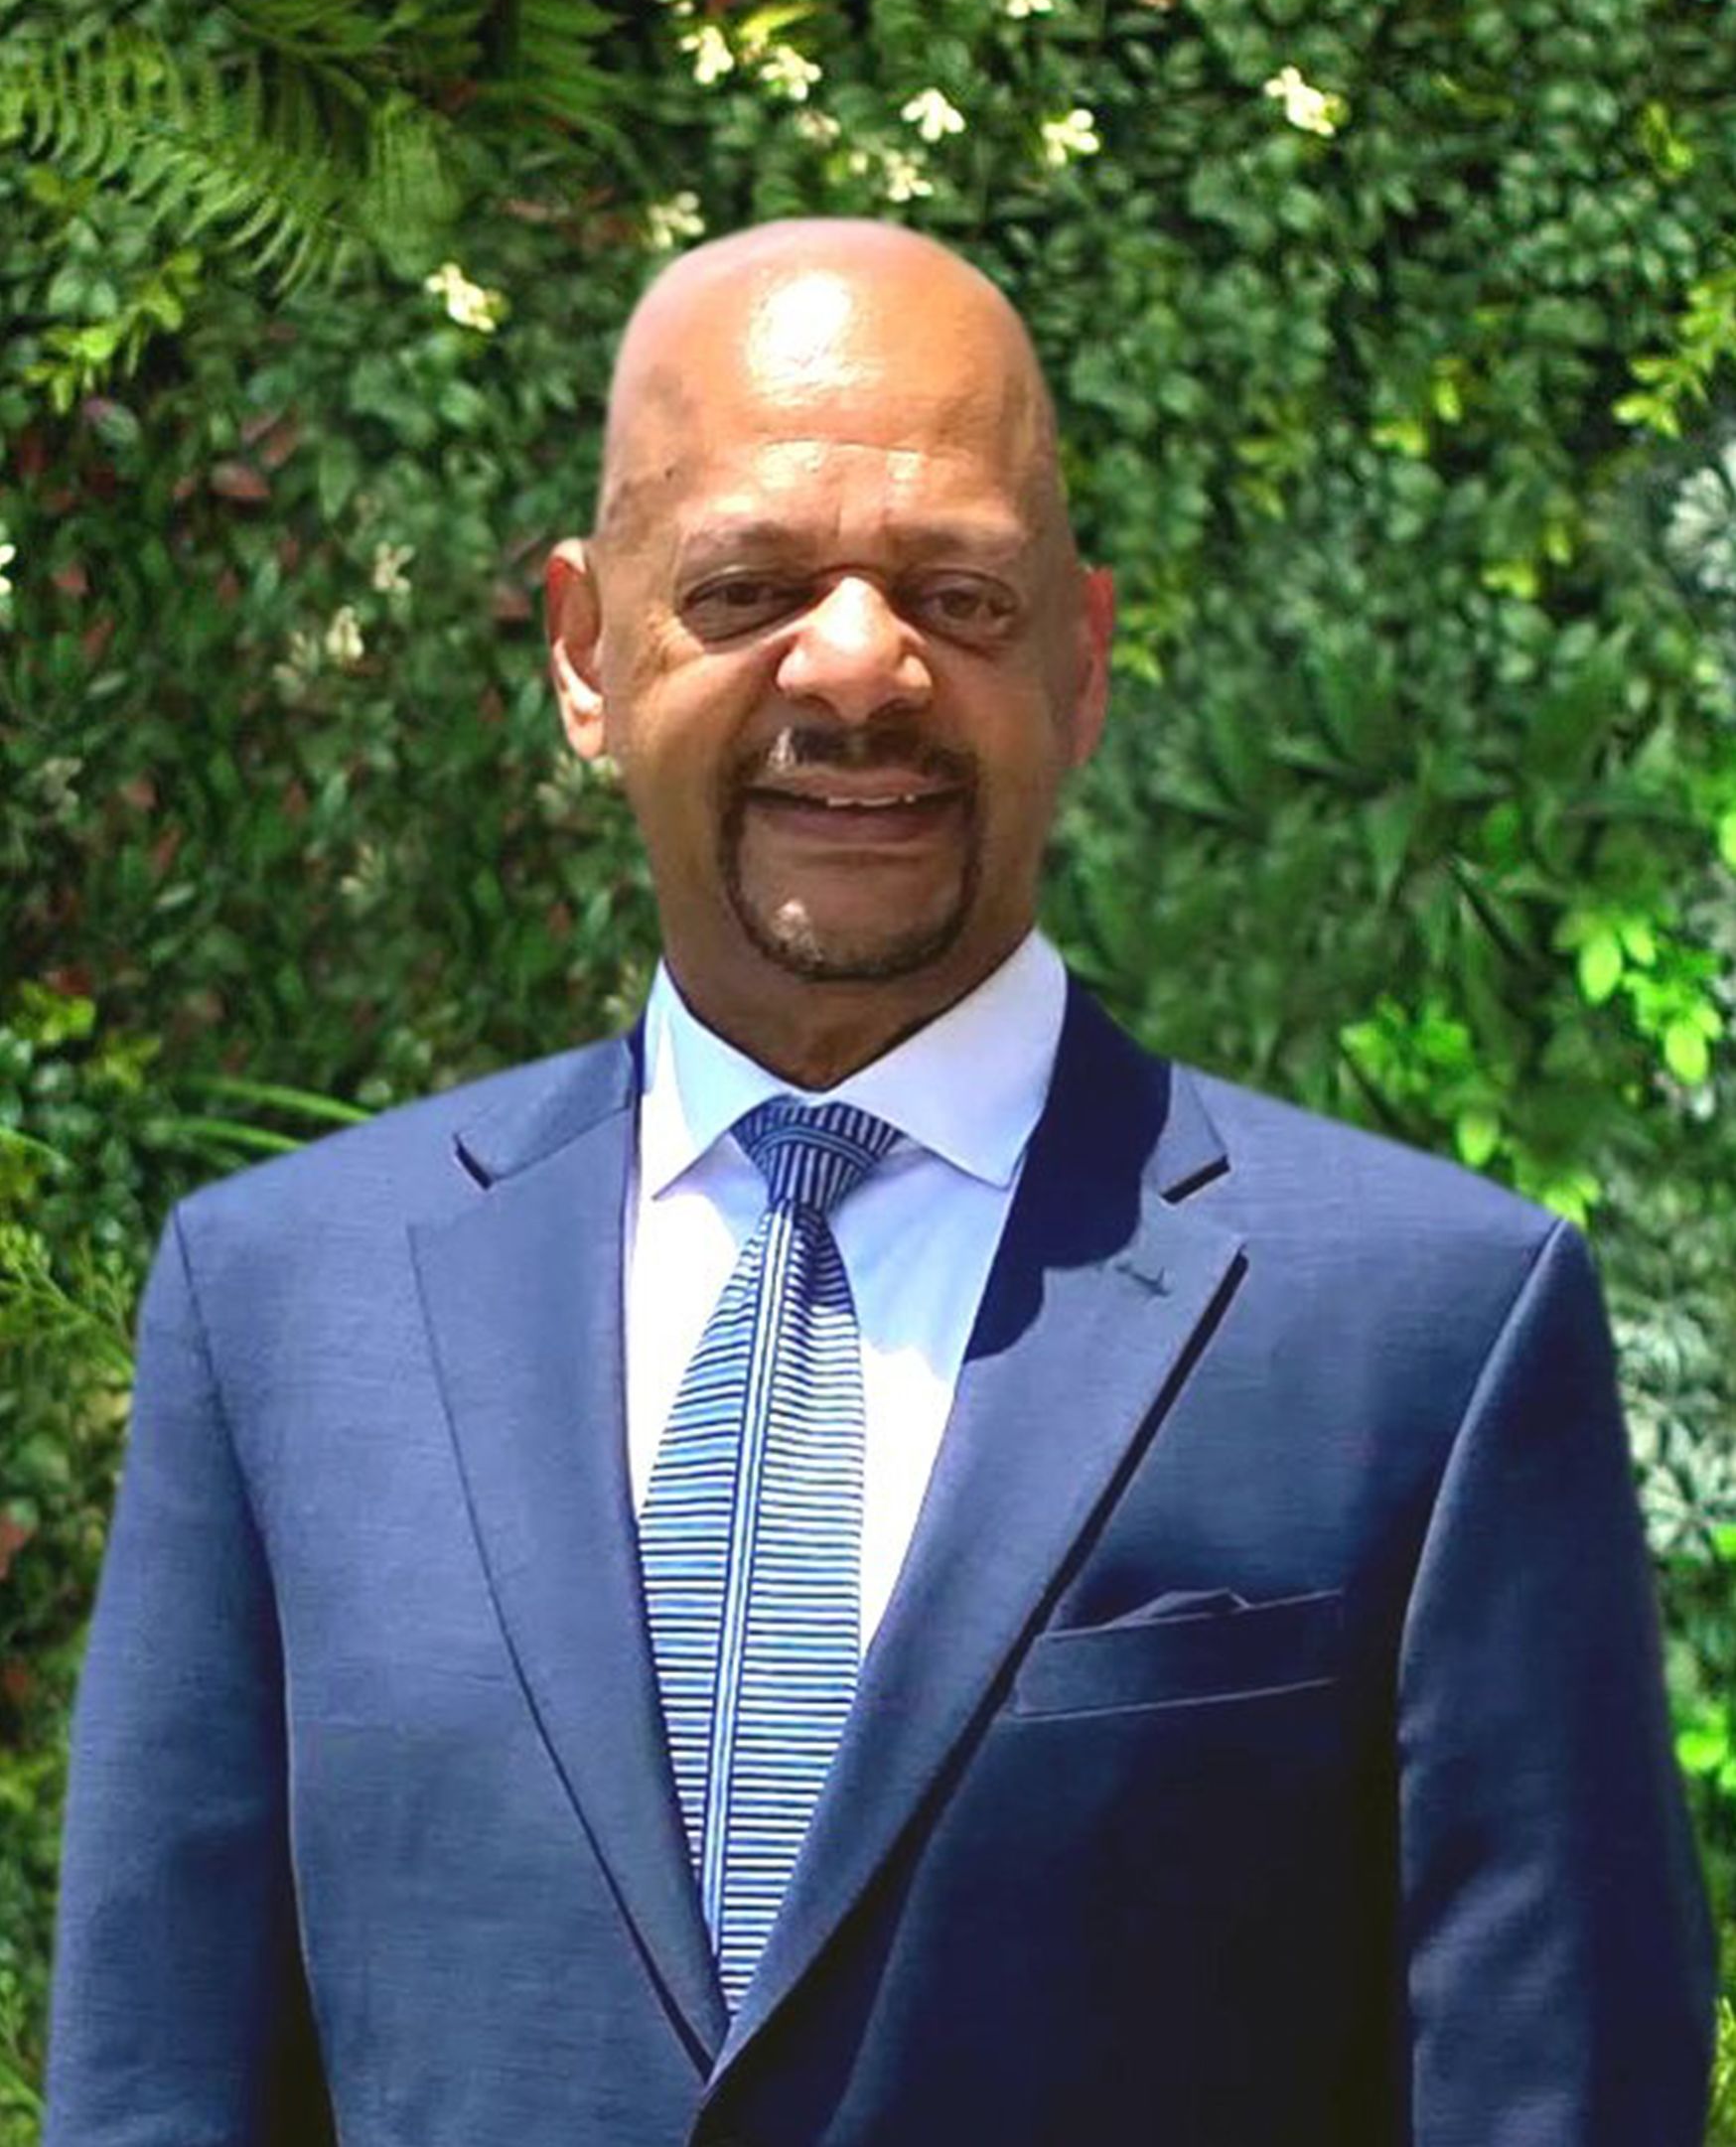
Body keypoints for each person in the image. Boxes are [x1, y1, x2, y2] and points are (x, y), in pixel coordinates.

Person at [47, 218, 1715, 2146]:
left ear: (1080, 661)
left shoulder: (1425, 1329)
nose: (857, 666)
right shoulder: (276, 1314)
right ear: (587, 651)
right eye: (749, 583)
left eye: (958, 593)